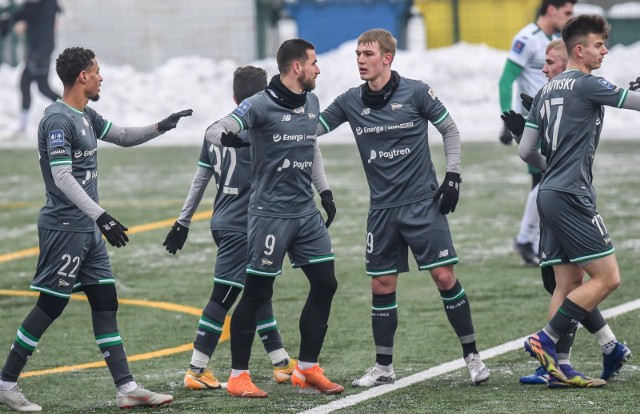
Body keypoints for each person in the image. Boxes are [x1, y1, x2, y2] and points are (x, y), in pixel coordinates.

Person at [0, 46, 192, 412]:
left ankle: (126, 388)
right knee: (50, 306)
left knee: (105, 301)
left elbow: (120, 135)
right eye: (97, 71)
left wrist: (160, 126)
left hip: (86, 229)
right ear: (82, 77)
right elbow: (61, 176)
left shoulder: (84, 113)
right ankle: (6, 382)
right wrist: (102, 216)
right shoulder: (59, 120)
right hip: (64, 228)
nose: (102, 77)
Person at [318, 28, 490, 387]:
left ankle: (473, 357)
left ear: (387, 58)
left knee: (444, 276)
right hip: (382, 210)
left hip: (422, 205)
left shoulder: (416, 91)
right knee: (381, 285)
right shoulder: (350, 100)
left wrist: (453, 176)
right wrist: (273, 120)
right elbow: (311, 129)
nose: (361, 61)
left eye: (367, 54)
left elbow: (450, 130)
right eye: (358, 55)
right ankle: (383, 367)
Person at [163, 65, 333, 390]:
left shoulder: (216, 130)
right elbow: (307, 153)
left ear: (234, 96)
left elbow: (200, 179)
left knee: (258, 291)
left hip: (222, 220)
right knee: (225, 294)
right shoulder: (264, 128)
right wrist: (321, 192)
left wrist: (182, 222)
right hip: (247, 224)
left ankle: (282, 362)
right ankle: (197, 368)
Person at [204, 39, 343, 398]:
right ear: (296, 67)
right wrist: (228, 138)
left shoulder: (311, 102)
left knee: (326, 283)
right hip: (269, 215)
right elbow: (215, 130)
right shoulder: (258, 105)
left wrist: (324, 191)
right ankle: (238, 376)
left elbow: (310, 145)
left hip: (305, 212)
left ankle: (307, 368)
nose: (318, 69)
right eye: (313, 63)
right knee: (256, 292)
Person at [502, 39, 633, 388]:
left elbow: (528, 152)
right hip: (571, 194)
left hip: (549, 192)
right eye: (599, 45)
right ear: (580, 52)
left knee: (565, 282)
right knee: (605, 278)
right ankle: (552, 341)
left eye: (548, 62)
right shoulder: (581, 85)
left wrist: (535, 137)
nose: (544, 70)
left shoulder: (549, 94)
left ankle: (560, 365)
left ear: (565, 60)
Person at [498, 0, 576, 265]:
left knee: (547, 179)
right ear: (551, 10)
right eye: (567, 12)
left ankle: (533, 239)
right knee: (546, 178)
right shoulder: (526, 38)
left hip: (553, 117)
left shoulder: (557, 39)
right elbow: (506, 79)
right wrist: (506, 118)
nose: (570, 17)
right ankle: (527, 239)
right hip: (532, 120)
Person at [2, 0, 62, 133]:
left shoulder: (45, 5)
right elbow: (29, 14)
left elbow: (30, 13)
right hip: (40, 50)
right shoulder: (42, 6)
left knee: (28, 84)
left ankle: (23, 126)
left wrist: (14, 19)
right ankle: (73, 112)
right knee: (42, 88)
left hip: (40, 51)